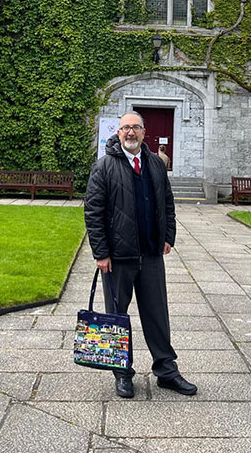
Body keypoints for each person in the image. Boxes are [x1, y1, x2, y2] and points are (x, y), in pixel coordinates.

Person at [84, 112, 197, 399]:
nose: (130, 132)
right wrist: (101, 253)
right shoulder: (104, 166)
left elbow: (167, 202)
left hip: (150, 255)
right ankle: (122, 374)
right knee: (116, 316)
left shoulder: (156, 165)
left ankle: (167, 371)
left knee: (157, 315)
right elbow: (93, 212)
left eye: (135, 127)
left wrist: (167, 236)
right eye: (125, 128)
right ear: (118, 132)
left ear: (144, 133)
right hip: (118, 259)